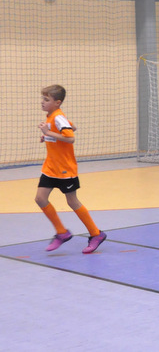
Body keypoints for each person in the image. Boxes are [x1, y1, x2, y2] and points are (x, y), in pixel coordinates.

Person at [35, 84, 108, 254]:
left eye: (46, 99)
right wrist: (47, 136)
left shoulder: (58, 117)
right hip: (50, 167)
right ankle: (62, 232)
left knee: (72, 201)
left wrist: (49, 133)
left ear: (57, 102)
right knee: (40, 198)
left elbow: (70, 138)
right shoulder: (52, 116)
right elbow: (71, 127)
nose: (42, 102)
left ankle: (96, 234)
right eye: (43, 99)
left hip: (65, 169)